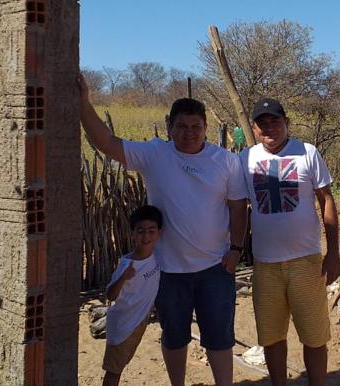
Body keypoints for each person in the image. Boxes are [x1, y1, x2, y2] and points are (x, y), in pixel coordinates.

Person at [79, 75, 248, 386]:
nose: (189, 133)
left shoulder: (225, 160)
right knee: (174, 336)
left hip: (216, 267)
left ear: (205, 128)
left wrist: (236, 250)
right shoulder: (155, 154)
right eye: (182, 126)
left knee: (220, 336)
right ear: (170, 126)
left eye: (195, 126)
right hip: (168, 270)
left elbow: (238, 208)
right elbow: (107, 143)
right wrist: (84, 103)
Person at [239, 98, 340, 386]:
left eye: (275, 121)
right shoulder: (245, 159)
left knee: (314, 335)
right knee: (271, 337)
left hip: (305, 261)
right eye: (263, 123)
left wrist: (333, 253)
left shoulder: (307, 153)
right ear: (255, 128)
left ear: (286, 123)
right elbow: (236, 208)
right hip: (265, 264)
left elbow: (327, 200)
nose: (270, 128)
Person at [101, 205, 163, 386]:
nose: (146, 237)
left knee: (120, 366)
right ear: (133, 234)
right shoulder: (128, 264)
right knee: (113, 371)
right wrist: (123, 277)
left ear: (159, 233)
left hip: (139, 321)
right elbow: (110, 295)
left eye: (151, 231)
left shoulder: (157, 256)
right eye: (141, 232)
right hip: (123, 324)